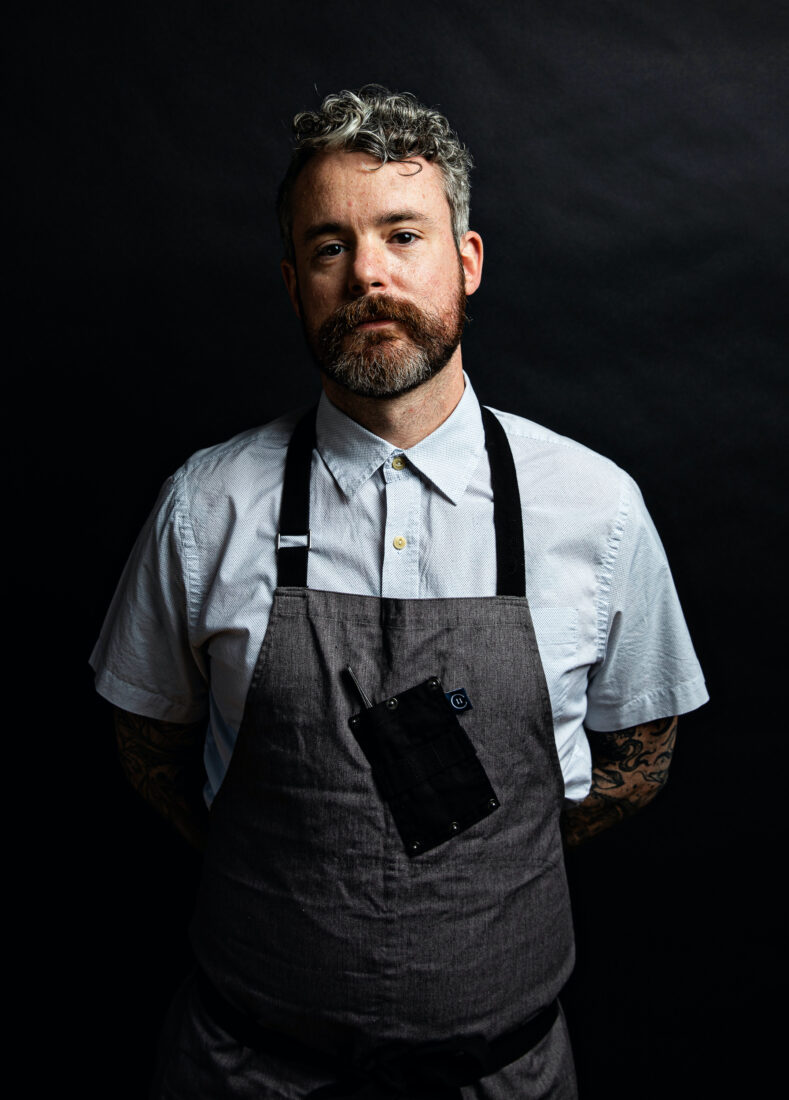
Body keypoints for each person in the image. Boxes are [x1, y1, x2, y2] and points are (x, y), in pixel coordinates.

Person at [91, 86, 708, 1099]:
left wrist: (488, 857)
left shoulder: (594, 507)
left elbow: (642, 755)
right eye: (330, 245)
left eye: (402, 233)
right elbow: (148, 741)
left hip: (503, 1075)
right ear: (295, 283)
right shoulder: (205, 504)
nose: (368, 272)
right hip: (247, 1068)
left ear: (465, 260)